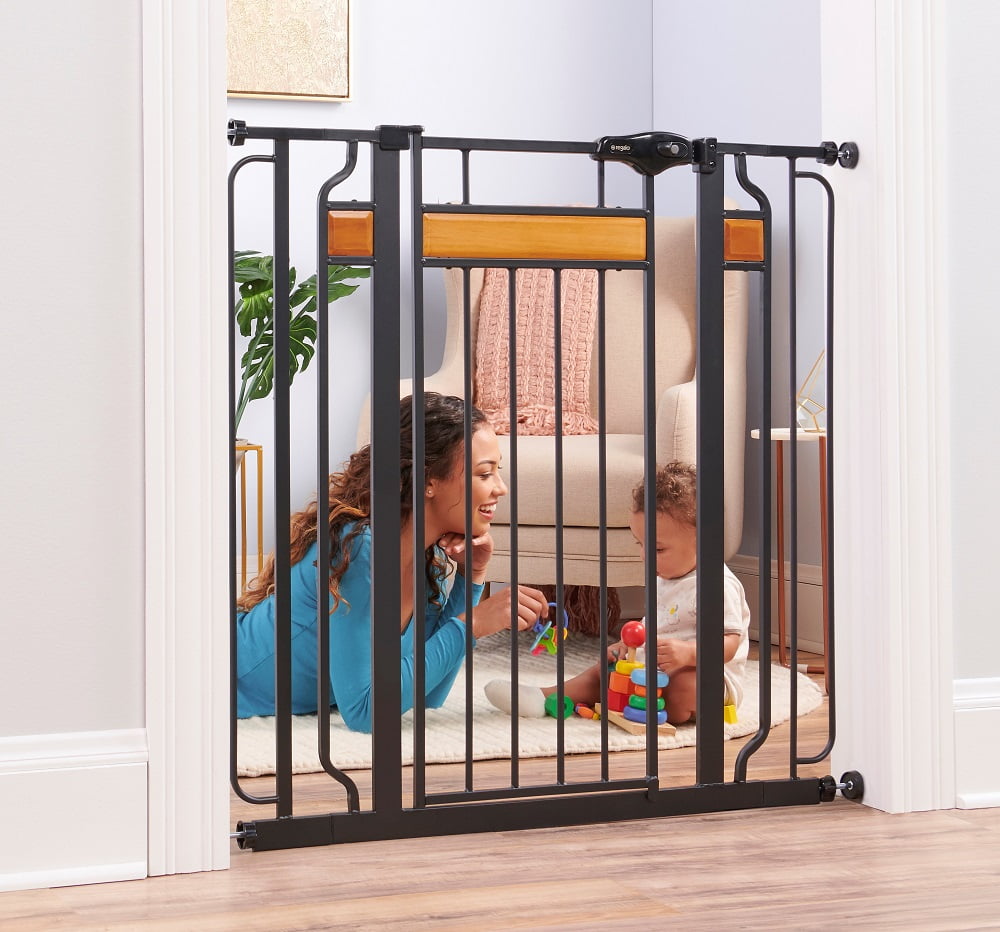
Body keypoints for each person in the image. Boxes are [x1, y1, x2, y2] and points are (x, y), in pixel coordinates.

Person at [236, 392, 549, 733]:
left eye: (496, 472)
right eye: (484, 474)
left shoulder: (426, 560)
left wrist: (471, 576)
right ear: (428, 481)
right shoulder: (359, 550)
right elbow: (365, 712)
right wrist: (474, 624)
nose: (501, 488)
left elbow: (428, 694)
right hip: (215, 676)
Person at [484, 461, 750, 724]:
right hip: (656, 671)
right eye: (640, 544)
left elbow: (729, 643)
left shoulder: (715, 584)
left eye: (658, 549)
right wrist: (629, 647)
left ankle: (654, 707)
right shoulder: (666, 577)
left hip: (707, 675)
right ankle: (546, 696)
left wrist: (688, 653)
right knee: (607, 669)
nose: (645, 556)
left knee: (684, 687)